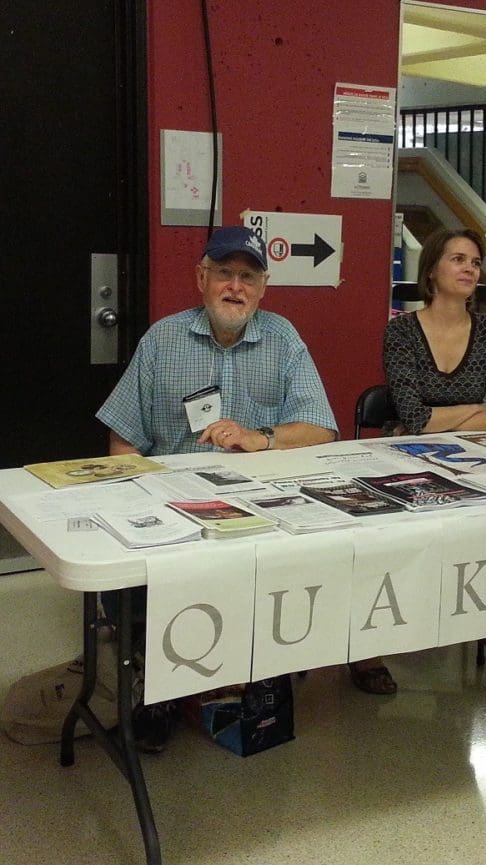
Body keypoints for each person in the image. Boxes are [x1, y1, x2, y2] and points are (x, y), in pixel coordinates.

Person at [95, 227, 381, 751]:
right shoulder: (162, 340)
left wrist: (259, 438)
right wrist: (138, 506)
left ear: (263, 286)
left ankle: (252, 673)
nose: (235, 287)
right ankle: (157, 688)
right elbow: (122, 441)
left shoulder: (283, 338)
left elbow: (321, 429)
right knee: (153, 573)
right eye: (224, 273)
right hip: (176, 501)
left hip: (260, 506)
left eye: (247, 276)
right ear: (201, 278)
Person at [383, 228, 486, 435]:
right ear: (431, 270)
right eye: (458, 259)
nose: (469, 269)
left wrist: (433, 424)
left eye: (475, 263)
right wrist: (476, 408)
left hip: (473, 449)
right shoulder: (401, 330)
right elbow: (414, 417)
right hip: (407, 449)